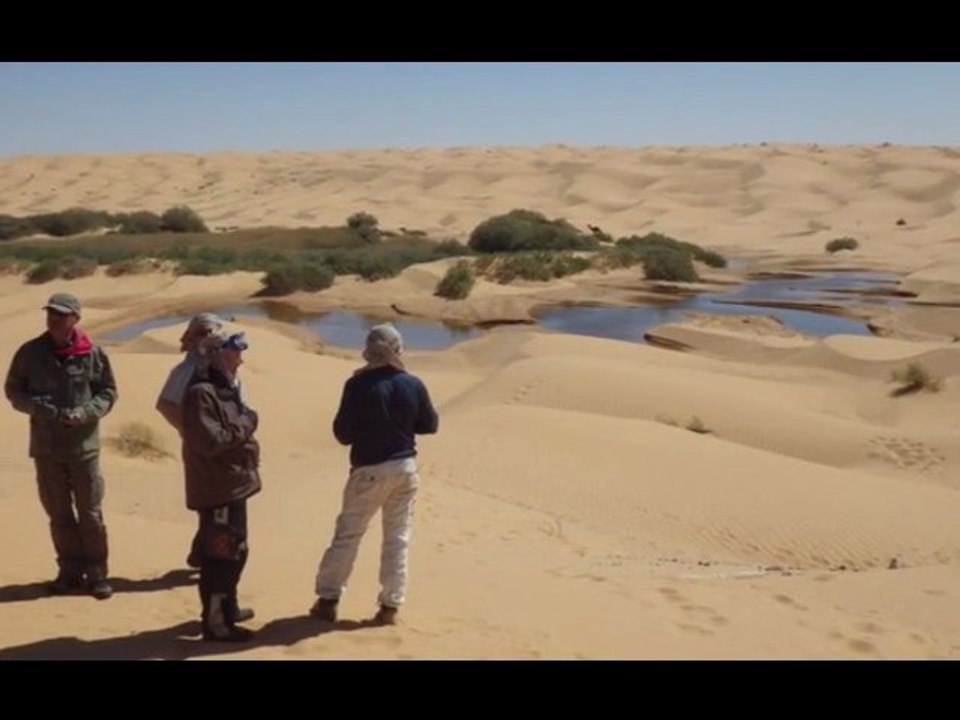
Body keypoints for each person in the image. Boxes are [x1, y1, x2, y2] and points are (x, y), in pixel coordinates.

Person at [311, 323, 438, 626]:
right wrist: (401, 423)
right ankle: (390, 607)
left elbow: (342, 433)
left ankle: (328, 600)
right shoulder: (412, 383)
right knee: (398, 538)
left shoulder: (358, 385)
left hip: (369, 470)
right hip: (405, 468)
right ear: (397, 348)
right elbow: (430, 424)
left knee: (348, 535)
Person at [4, 292, 118, 600]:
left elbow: (107, 393)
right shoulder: (29, 353)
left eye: (62, 314)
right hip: (46, 448)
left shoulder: (93, 354)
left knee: (90, 513)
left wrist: (86, 412)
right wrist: (37, 408)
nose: (54, 318)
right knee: (59, 513)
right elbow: (14, 390)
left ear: (75, 319)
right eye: (51, 313)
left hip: (84, 448)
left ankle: (96, 574)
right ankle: (69, 571)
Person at [181, 332, 260, 642]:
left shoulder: (224, 389)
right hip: (218, 492)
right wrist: (248, 423)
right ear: (217, 354)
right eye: (234, 351)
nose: (240, 358)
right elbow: (213, 440)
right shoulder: (202, 394)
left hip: (233, 486)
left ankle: (227, 610)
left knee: (235, 553)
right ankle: (216, 623)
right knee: (220, 557)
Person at [155, 312, 224, 568]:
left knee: (224, 502)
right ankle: (207, 555)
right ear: (192, 337)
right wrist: (190, 431)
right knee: (209, 503)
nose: (207, 338)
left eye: (211, 332)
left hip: (226, 446)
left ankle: (206, 553)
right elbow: (165, 404)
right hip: (200, 448)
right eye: (201, 332)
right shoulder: (186, 369)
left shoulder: (223, 367)